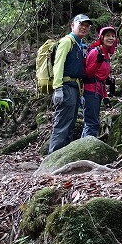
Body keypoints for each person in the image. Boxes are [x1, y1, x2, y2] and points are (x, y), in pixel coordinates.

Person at [48, 13, 91, 153]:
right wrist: (57, 88)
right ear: (72, 25)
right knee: (62, 124)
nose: (84, 27)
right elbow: (58, 64)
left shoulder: (79, 45)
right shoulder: (67, 42)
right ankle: (53, 157)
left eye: (87, 26)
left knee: (70, 124)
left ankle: (62, 157)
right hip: (66, 88)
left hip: (75, 89)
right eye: (81, 24)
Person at [82, 25, 117, 139]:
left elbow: (101, 78)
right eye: (107, 36)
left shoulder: (106, 54)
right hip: (90, 91)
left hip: (98, 91)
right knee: (92, 123)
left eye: (113, 36)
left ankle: (84, 144)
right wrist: (98, 61)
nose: (111, 38)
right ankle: (85, 147)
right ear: (101, 37)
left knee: (92, 123)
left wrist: (105, 96)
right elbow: (88, 73)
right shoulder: (95, 52)